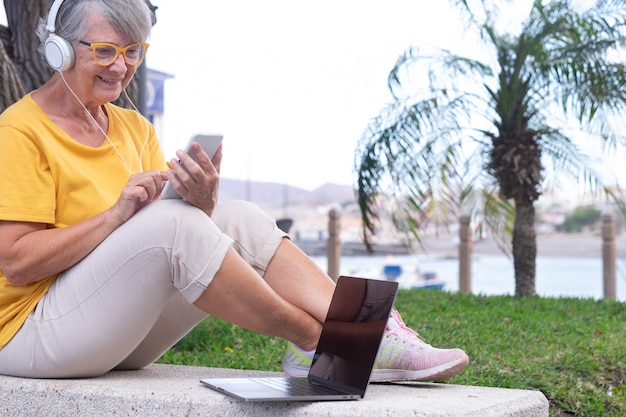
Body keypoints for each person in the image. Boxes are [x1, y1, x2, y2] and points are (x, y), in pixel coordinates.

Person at [0, 0, 469, 380]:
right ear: (59, 50)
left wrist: (201, 200)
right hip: (30, 336)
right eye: (104, 51)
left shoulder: (133, 129)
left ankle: (367, 327)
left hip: (113, 332)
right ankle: (319, 340)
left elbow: (167, 238)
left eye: (133, 52)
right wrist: (114, 214)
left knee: (237, 214)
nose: (121, 68)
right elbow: (17, 262)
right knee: (170, 225)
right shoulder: (21, 131)